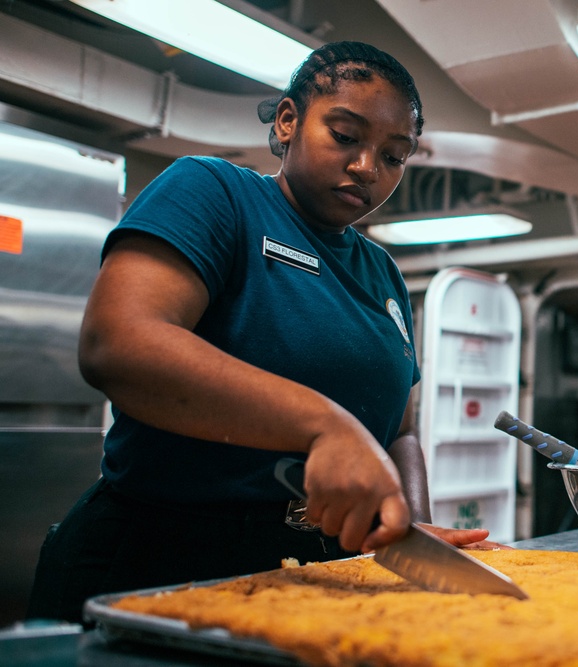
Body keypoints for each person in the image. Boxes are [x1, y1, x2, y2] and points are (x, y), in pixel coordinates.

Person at [27, 41, 500, 624]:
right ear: (288, 121)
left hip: (315, 568)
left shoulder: (383, 273)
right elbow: (117, 343)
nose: (367, 168)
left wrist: (412, 524)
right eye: (346, 136)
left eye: (395, 156)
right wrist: (325, 426)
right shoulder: (216, 194)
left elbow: (398, 429)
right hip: (160, 558)